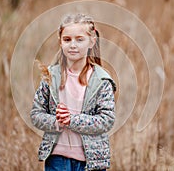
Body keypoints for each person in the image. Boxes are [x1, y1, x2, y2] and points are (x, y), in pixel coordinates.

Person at [30, 13, 116, 171]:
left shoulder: (101, 80)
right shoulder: (52, 76)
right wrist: (57, 122)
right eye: (67, 39)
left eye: (79, 39)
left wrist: (72, 120)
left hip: (91, 161)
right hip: (56, 158)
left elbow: (107, 120)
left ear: (92, 41)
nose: (73, 45)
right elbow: (36, 114)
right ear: (60, 42)